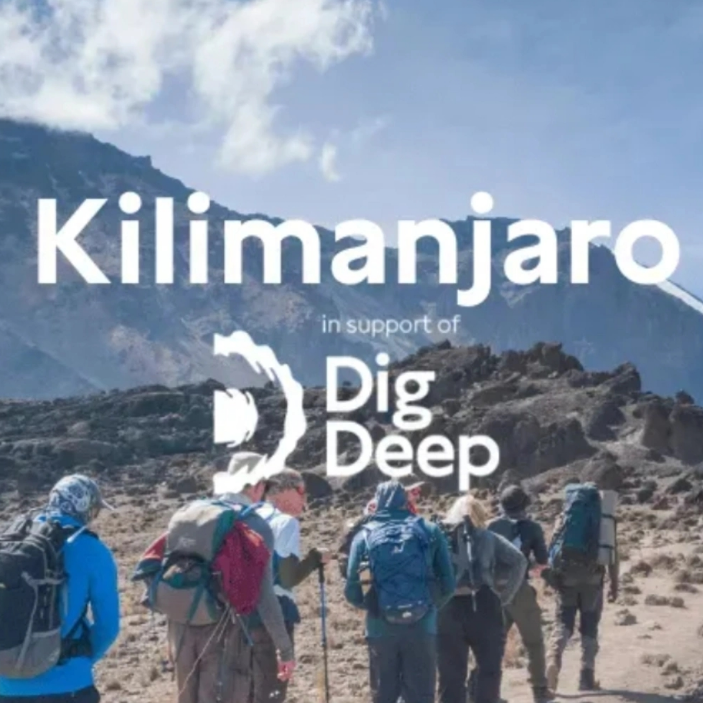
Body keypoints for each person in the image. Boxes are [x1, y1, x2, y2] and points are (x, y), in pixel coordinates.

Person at [133, 452, 295, 703]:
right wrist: (284, 650)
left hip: (182, 628)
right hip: (225, 632)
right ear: (256, 486)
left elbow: (158, 564)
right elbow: (265, 596)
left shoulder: (193, 513)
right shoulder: (254, 525)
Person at [0, 474, 120, 703]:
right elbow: (108, 626)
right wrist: (78, 658)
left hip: (6, 687)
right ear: (85, 508)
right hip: (68, 683)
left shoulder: (12, 542)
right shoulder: (92, 549)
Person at [344, 479, 455, 703]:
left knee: (384, 696)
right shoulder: (429, 530)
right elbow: (449, 584)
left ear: (378, 502)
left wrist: (374, 605)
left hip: (380, 629)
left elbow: (351, 591)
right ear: (405, 501)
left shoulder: (363, 536)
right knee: (421, 696)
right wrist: (430, 606)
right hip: (422, 626)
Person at [249, 466, 331, 703]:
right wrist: (315, 558)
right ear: (283, 490)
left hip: (239, 613)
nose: (304, 499)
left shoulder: (247, 515)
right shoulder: (285, 523)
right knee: (271, 690)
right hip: (274, 612)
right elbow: (288, 579)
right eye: (301, 491)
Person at [436, 494, 527, 703]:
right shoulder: (488, 537)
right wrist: (504, 597)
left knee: (450, 676)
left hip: (447, 607)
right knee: (489, 670)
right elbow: (519, 561)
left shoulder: (440, 539)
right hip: (484, 604)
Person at [544, 482, 619, 693]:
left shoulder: (564, 517)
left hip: (567, 577)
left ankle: (553, 659)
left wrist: (552, 578)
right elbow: (613, 555)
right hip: (593, 578)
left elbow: (552, 548)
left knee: (563, 621)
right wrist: (614, 584)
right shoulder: (605, 520)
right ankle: (586, 677)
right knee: (590, 624)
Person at [487, 485, 553, 703]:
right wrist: (528, 562)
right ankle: (539, 690)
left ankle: (483, 691)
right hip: (519, 589)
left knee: (491, 644)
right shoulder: (532, 527)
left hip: (494, 591)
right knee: (533, 642)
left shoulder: (491, 526)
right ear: (524, 504)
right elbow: (542, 562)